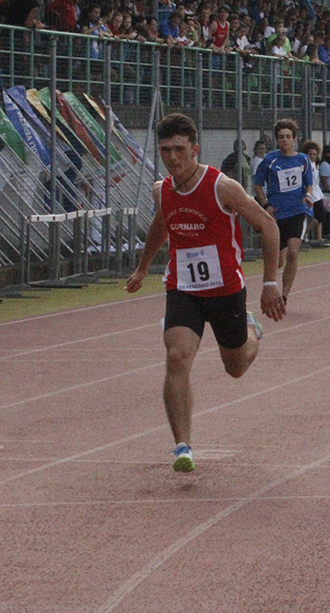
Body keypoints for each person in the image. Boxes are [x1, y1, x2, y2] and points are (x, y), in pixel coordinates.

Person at [125, 113, 285, 472]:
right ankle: (182, 446)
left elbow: (268, 226)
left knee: (236, 367)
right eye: (165, 150)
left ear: (195, 149)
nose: (172, 157)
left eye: (179, 149)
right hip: (183, 288)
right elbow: (161, 224)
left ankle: (251, 329)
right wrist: (142, 267)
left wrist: (269, 284)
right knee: (177, 357)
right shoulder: (161, 190)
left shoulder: (222, 187)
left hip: (226, 289)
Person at [253, 119, 315, 304]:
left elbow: (309, 183)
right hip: (276, 214)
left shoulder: (303, 159)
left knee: (293, 253)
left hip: (297, 211)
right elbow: (257, 185)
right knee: (278, 261)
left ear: (294, 139)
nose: (285, 140)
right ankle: (271, 283)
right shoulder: (270, 160)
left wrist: (308, 196)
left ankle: (285, 295)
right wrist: (265, 205)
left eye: (288, 137)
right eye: (281, 137)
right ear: (277, 140)